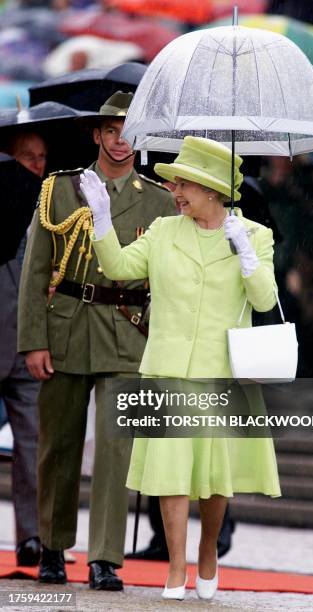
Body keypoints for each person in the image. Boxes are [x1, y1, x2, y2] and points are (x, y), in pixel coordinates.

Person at [80, 135, 281, 601]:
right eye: (174, 184)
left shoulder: (254, 235)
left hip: (221, 372)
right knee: (169, 474)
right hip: (168, 368)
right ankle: (175, 567)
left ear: (212, 189)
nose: (175, 191)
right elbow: (117, 267)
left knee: (214, 478)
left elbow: (265, 299)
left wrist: (246, 256)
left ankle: (208, 549)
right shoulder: (165, 230)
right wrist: (102, 221)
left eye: (184, 184)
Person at [17, 92, 176, 589]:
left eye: (129, 131)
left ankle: (105, 558)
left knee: (117, 447)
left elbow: (165, 276)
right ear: (97, 135)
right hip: (65, 324)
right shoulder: (61, 189)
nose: (120, 140)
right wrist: (33, 341)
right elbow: (35, 269)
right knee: (57, 445)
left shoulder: (159, 198)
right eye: (111, 130)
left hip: (127, 328)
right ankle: (52, 547)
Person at [0, 131, 47, 566]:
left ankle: (32, 537)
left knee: (33, 445)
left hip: (30, 346)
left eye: (41, 157)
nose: (36, 164)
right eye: (26, 157)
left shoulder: (54, 213)